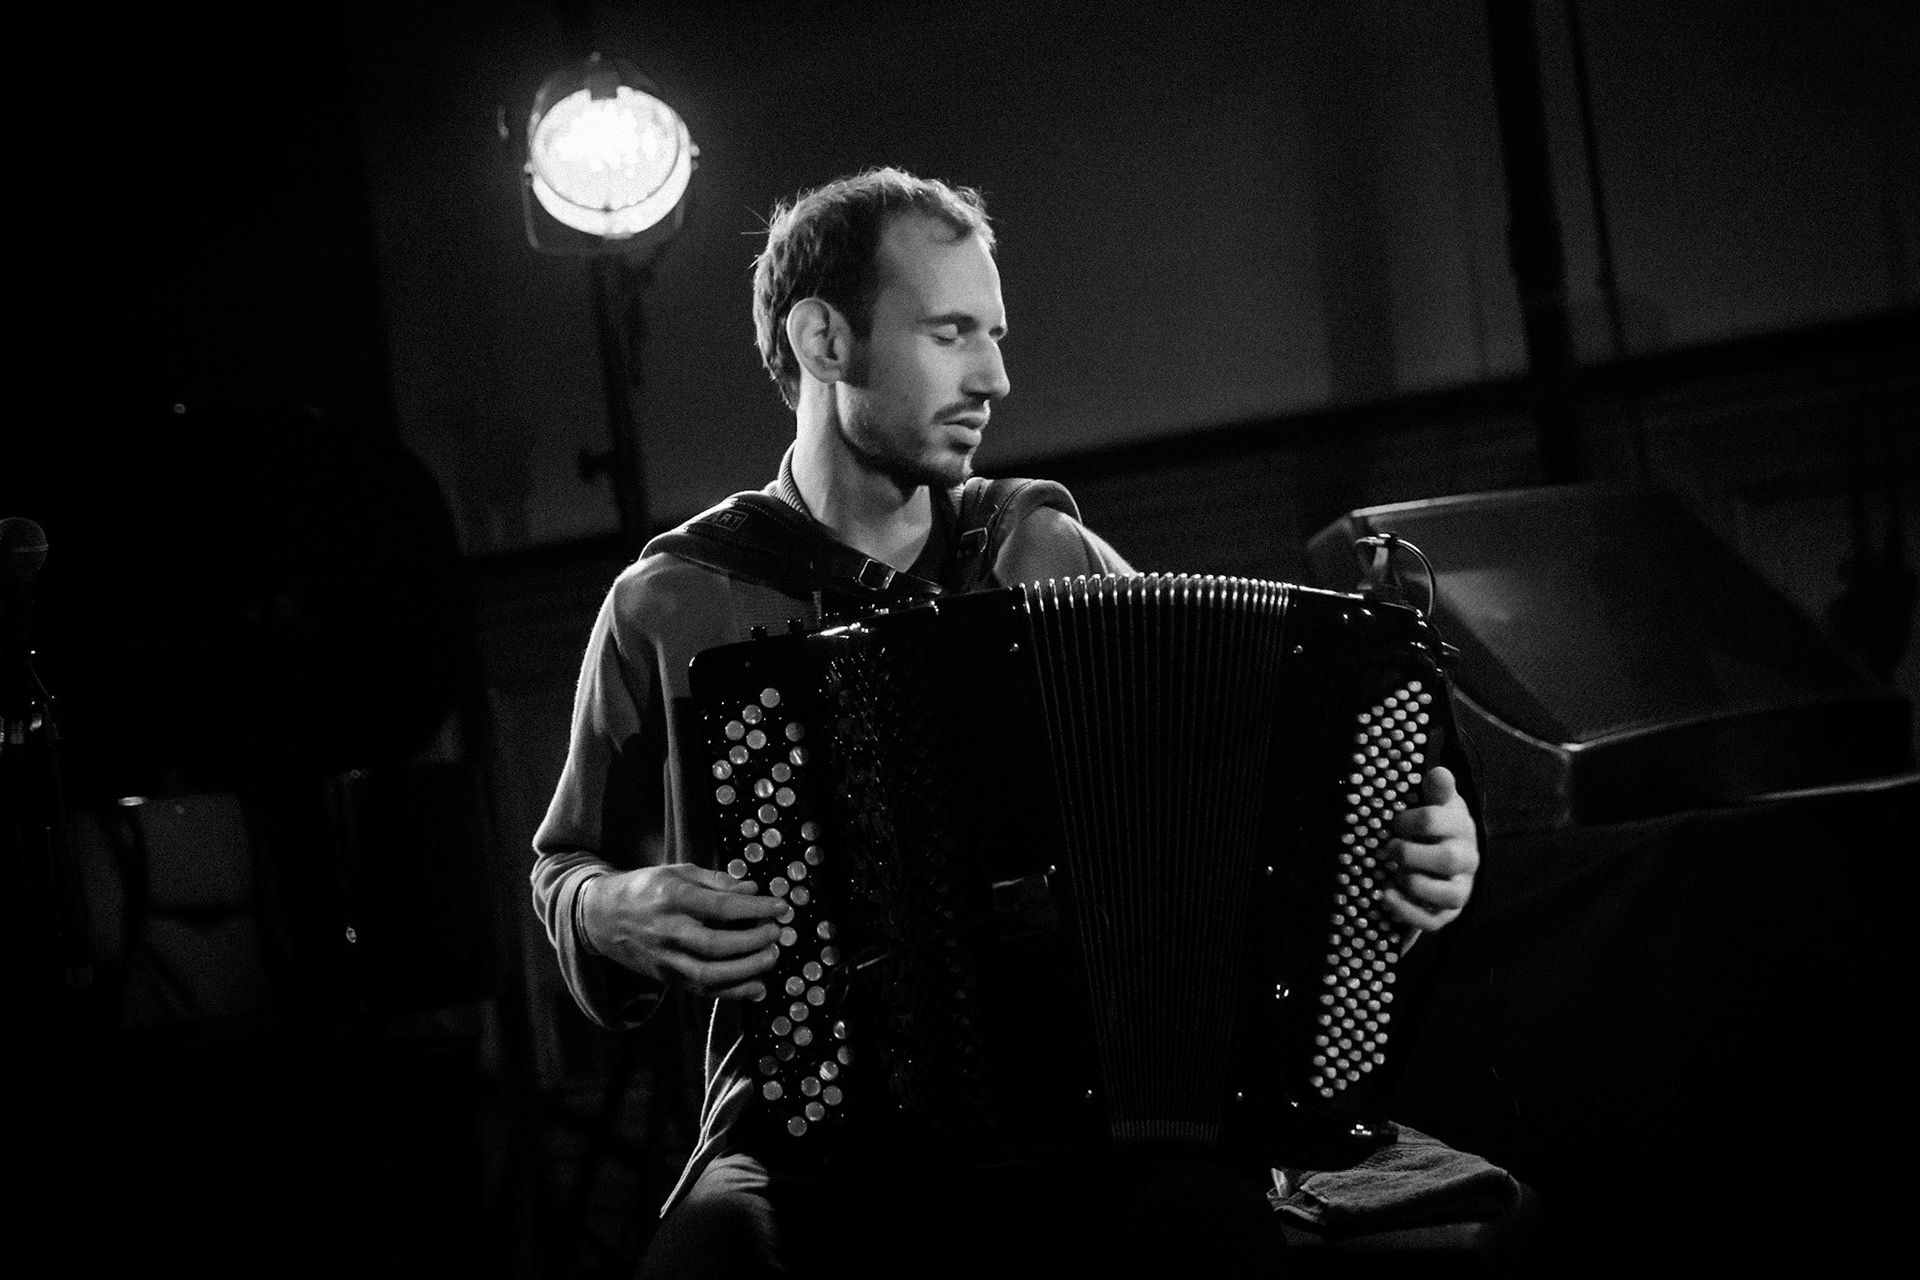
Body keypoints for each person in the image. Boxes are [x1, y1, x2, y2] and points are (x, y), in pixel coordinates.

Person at [531, 167, 1481, 1279]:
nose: (995, 375)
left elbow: (1238, 800)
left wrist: (1412, 857)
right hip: (806, 1115)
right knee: (706, 1269)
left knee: (1214, 1237)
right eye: (950, 333)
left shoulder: (1042, 553)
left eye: (994, 333)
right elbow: (564, 861)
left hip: (1094, 1105)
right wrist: (606, 906)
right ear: (824, 338)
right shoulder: (676, 601)